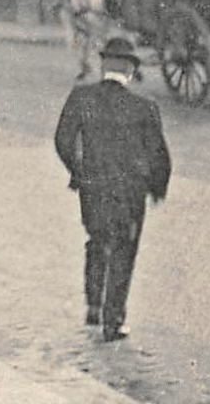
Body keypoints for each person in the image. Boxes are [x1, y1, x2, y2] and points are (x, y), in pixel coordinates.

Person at [53, 38, 172, 343]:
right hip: (130, 194)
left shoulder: (81, 97)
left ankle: (93, 306)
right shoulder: (144, 107)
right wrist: (156, 187)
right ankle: (113, 320)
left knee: (96, 241)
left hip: (92, 189)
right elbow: (160, 154)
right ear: (131, 70)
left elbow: (63, 141)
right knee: (123, 251)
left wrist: (78, 172)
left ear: (104, 66)